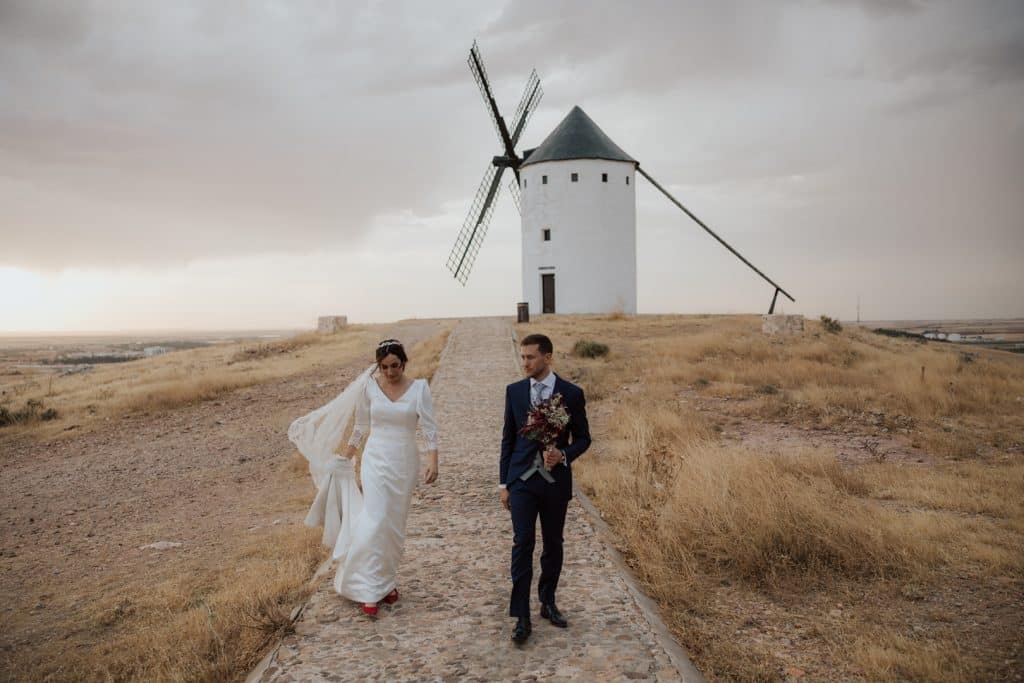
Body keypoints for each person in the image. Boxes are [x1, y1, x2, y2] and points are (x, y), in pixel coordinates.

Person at [289, 339, 438, 618]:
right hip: (376, 460)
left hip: (405, 461)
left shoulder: (419, 389)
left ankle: (386, 581)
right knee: (376, 519)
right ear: (378, 366)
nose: (390, 372)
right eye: (384, 367)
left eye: (395, 366)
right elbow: (360, 427)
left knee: (393, 526)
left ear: (403, 363)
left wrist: (433, 460)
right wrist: (346, 456)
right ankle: (367, 588)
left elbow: (429, 427)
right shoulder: (369, 387)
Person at [500, 333, 591, 644]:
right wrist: (504, 483)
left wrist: (563, 455)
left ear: (547, 357)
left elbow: (583, 438)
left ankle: (547, 602)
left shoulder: (571, 394)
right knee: (522, 542)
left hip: (555, 482)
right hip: (522, 481)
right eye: (522, 357)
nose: (524, 362)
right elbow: (508, 440)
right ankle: (521, 615)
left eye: (530, 357)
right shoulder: (513, 392)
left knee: (553, 544)